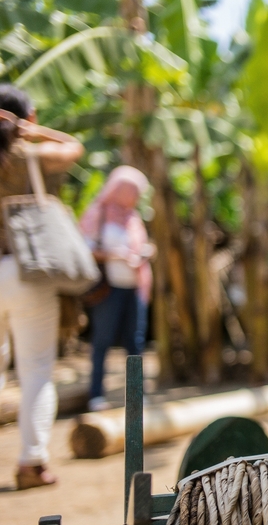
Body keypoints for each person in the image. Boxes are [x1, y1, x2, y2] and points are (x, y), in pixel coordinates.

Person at [0, 85, 84, 489]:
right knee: (35, 370)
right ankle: (32, 464)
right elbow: (74, 147)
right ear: (26, 119)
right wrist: (34, 132)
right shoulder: (32, 156)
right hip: (26, 272)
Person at [79, 166, 154, 412]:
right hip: (107, 289)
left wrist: (143, 253)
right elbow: (84, 249)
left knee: (136, 342)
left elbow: (143, 246)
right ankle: (96, 395)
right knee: (102, 340)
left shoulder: (133, 218)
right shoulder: (97, 214)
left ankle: (135, 398)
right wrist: (116, 256)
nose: (136, 196)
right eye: (133, 190)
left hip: (134, 288)